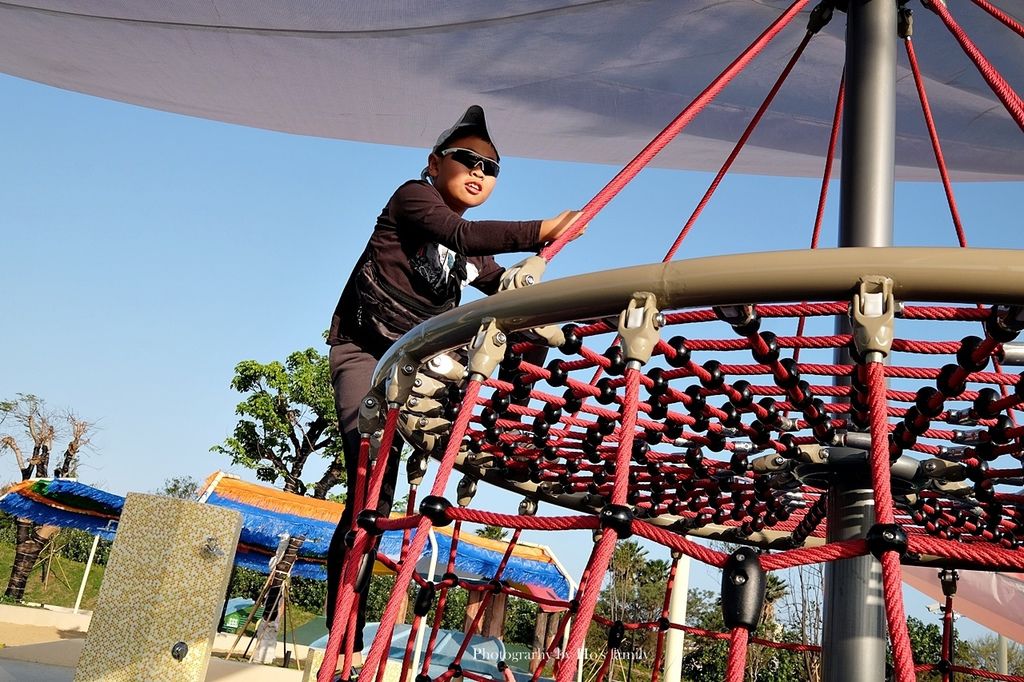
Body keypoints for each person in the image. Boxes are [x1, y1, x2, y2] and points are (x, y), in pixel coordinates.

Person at [324, 105, 579, 669]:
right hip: (367, 353)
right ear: (435, 163)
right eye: (466, 159)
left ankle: (510, 417)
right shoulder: (412, 201)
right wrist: (539, 231)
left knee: (523, 332)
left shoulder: (472, 255)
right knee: (372, 489)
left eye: (491, 167)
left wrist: (538, 297)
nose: (478, 171)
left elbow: (497, 286)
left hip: (418, 371)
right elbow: (457, 232)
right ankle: (344, 632)